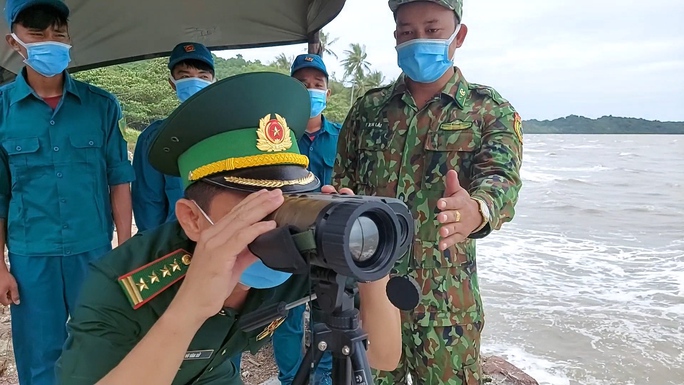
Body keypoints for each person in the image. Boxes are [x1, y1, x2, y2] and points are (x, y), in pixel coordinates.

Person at [55, 71, 402, 385]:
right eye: (251, 209)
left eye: (291, 200)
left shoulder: (297, 247)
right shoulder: (121, 283)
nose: (274, 223)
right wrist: (189, 309)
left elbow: (383, 357)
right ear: (192, 219)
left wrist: (366, 256)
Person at [330, 0, 524, 384]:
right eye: (407, 32)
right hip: (371, 291)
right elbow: (342, 182)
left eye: (433, 30)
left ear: (458, 35)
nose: (419, 40)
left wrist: (478, 209)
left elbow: (502, 179)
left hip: (447, 304)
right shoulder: (368, 110)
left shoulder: (488, 111)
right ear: (396, 38)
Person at [0, 1, 135, 384]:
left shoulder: (101, 106)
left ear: (70, 39)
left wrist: (125, 248)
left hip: (92, 250)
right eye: (37, 34)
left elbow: (118, 179)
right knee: (40, 355)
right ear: (15, 41)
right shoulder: (2, 111)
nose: (49, 43)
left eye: (58, 34)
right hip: (31, 255)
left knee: (99, 345)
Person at [232, 53, 342, 385]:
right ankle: (292, 377)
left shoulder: (341, 137)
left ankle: (322, 376)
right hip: (286, 246)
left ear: (328, 90)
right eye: (301, 84)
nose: (311, 90)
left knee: (329, 312)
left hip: (330, 244)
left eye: (317, 84)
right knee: (288, 315)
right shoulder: (274, 138)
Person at [132, 42, 215, 233]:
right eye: (185, 76)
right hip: (177, 242)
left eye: (202, 76)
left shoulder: (231, 130)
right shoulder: (154, 137)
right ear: (172, 82)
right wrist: (157, 250)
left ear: (213, 80)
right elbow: (148, 202)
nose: (194, 82)